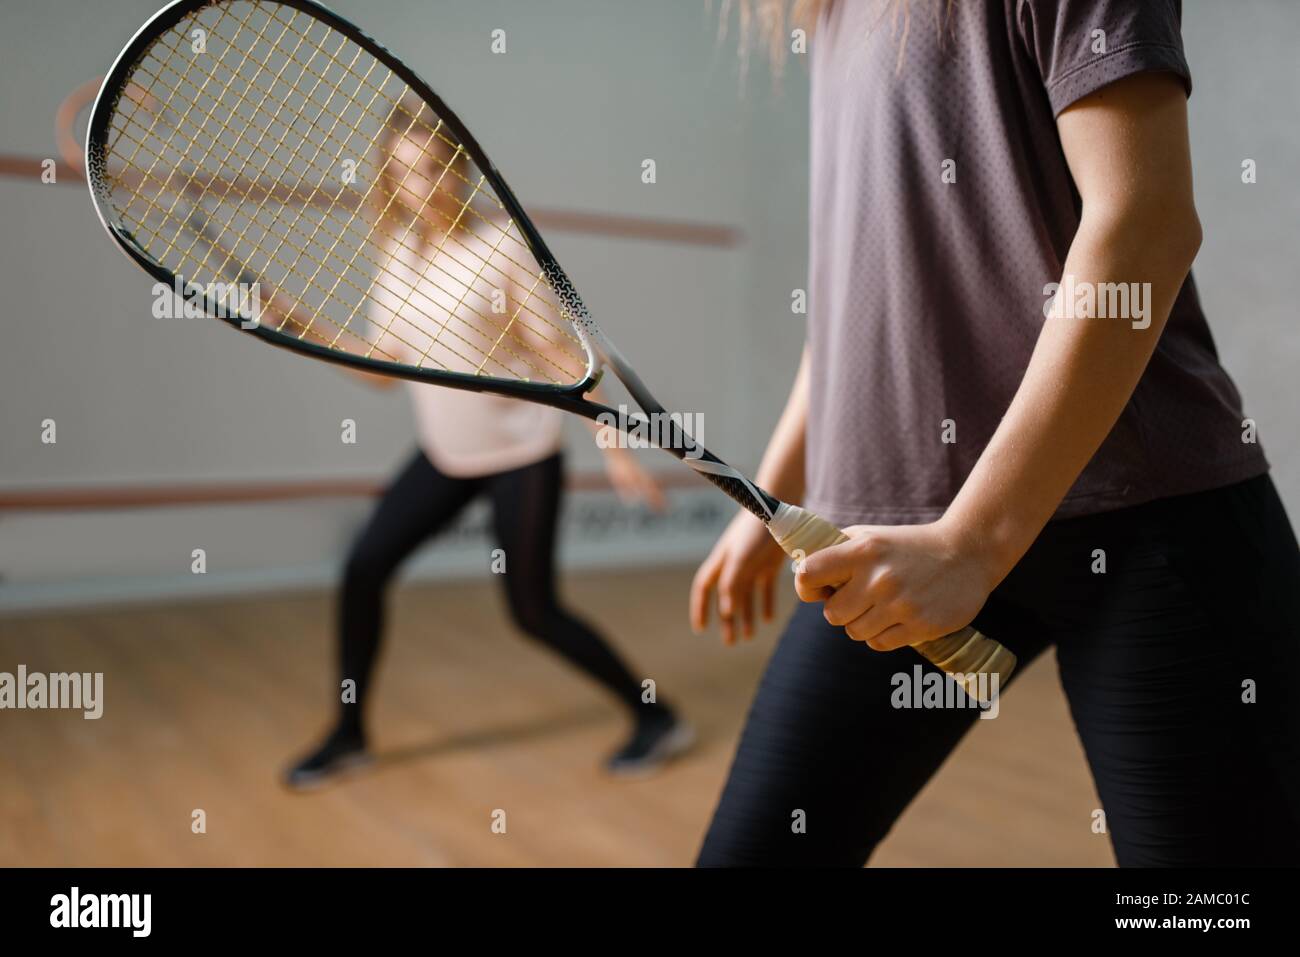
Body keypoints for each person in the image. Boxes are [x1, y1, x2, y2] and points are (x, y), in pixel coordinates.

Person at [691, 0, 1300, 865]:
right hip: (892, 541)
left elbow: (1146, 221)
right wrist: (777, 493)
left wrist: (972, 545)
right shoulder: (829, 16)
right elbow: (855, 296)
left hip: (1152, 525)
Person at [285, 101, 693, 788]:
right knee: (363, 568)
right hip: (446, 454)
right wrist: (298, 321)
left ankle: (656, 717)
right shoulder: (397, 254)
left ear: (458, 170)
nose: (425, 185)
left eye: (436, 168)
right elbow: (385, 369)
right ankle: (349, 733)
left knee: (533, 612)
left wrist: (612, 442)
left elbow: (561, 356)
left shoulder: (499, 245)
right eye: (407, 173)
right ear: (390, 180)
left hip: (520, 454)